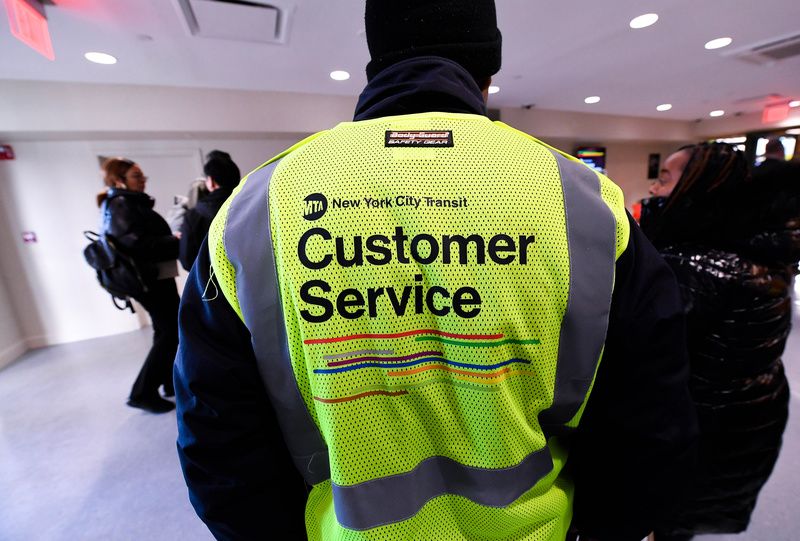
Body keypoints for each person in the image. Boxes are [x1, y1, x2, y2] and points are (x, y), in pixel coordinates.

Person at [174, 1, 698, 539]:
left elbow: (219, 446)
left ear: (375, 58)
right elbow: (653, 425)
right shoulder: (584, 204)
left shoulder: (257, 209)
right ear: (489, 72)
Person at [640, 142, 798, 541]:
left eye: (664, 179)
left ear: (698, 186)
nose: (654, 191)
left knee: (665, 518)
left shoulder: (693, 267)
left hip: (696, 431)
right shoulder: (762, 255)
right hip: (748, 421)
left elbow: (644, 357)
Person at [98, 158, 180, 414]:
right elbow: (137, 244)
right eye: (137, 175)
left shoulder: (127, 203)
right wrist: (173, 240)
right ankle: (142, 392)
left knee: (165, 330)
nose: (143, 179)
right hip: (149, 281)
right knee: (170, 330)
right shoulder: (122, 204)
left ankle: (168, 382)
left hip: (153, 278)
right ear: (119, 180)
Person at [179, 154, 241, 271]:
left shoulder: (194, 215)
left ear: (211, 181)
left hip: (210, 281)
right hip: (249, 279)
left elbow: (187, 261)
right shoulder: (248, 205)